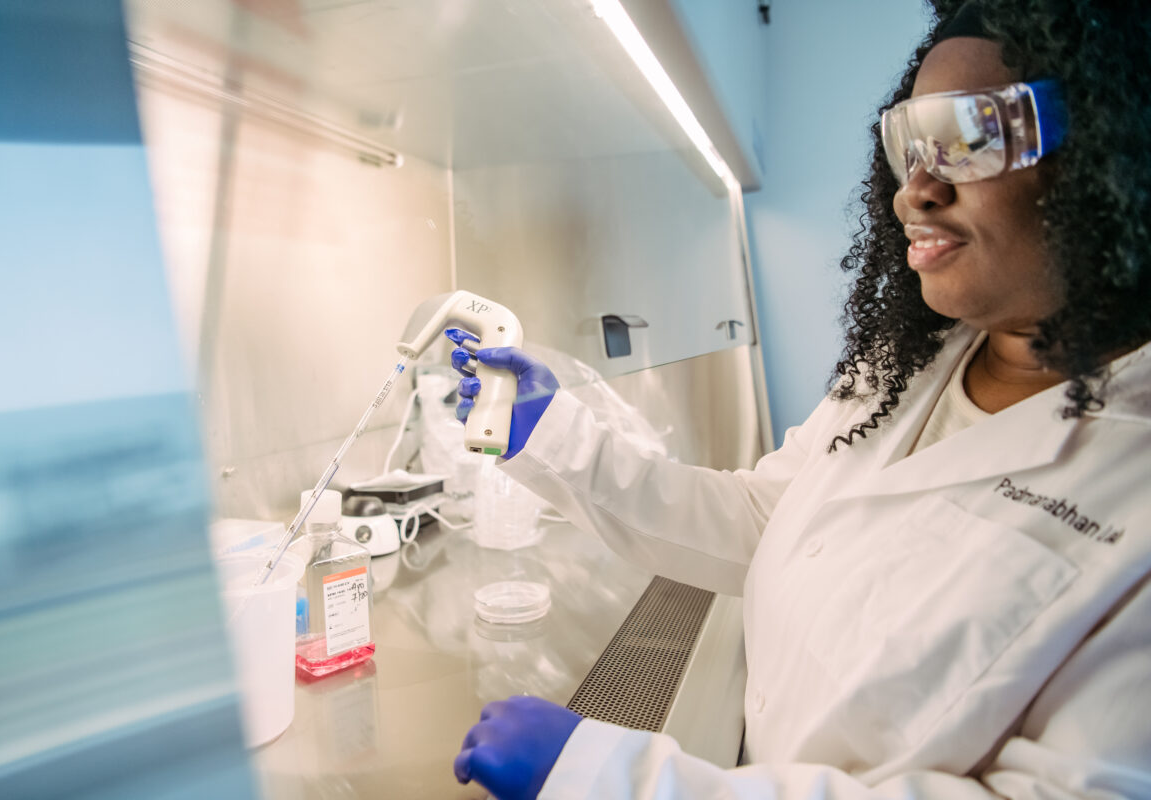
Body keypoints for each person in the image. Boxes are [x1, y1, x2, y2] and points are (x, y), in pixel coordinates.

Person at [448, 0, 1151, 797]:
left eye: (967, 135)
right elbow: (765, 522)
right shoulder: (903, 373)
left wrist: (622, 778)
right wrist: (560, 439)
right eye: (908, 145)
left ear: (1112, 153)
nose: (913, 191)